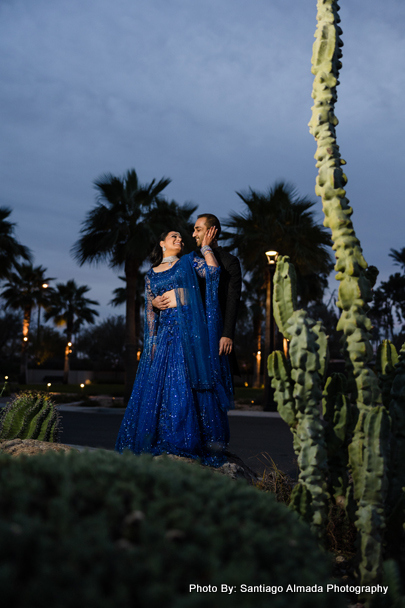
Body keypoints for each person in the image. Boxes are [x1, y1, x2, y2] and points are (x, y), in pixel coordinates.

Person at [115, 229, 233, 467]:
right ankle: (160, 438)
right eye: (173, 237)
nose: (179, 240)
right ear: (162, 244)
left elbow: (212, 272)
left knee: (183, 383)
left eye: (181, 238)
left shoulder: (190, 262)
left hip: (187, 333)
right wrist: (155, 306)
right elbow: (149, 312)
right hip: (164, 337)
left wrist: (207, 247)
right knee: (161, 387)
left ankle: (184, 441)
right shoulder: (150, 274)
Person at [153, 215, 242, 377]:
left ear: (211, 232)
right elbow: (168, 283)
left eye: (198, 230)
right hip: (190, 332)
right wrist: (154, 302)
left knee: (217, 380)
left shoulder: (230, 262)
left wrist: (227, 334)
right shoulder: (189, 260)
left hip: (215, 330)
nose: (193, 234)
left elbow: (232, 300)